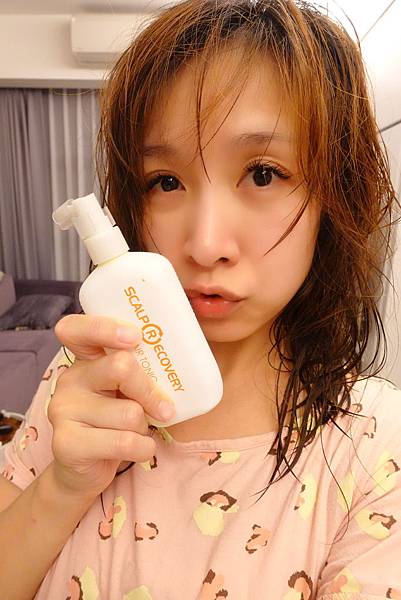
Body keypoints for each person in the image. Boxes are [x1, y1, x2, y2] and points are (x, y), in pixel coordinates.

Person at [1, 0, 400, 598]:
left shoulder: (376, 449)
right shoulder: (86, 378)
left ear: (335, 195)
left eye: (263, 173)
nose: (206, 244)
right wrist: (62, 487)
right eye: (166, 182)